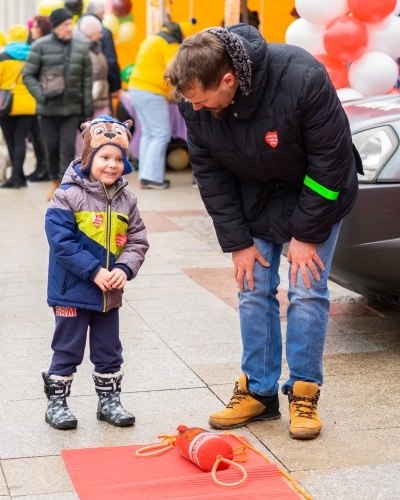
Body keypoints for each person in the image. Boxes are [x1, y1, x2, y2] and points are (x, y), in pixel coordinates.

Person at [165, 24, 363, 439]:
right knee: (252, 285)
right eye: (190, 102)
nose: (196, 110)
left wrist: (306, 235)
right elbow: (210, 174)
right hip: (254, 193)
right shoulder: (194, 102)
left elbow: (331, 160)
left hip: (315, 189)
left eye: (202, 100)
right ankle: (258, 391)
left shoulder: (301, 75)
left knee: (307, 288)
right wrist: (237, 243)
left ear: (228, 80)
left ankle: (304, 393)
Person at [42, 114, 149, 430]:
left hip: (108, 294)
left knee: (109, 350)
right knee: (67, 348)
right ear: (88, 158)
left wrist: (123, 268)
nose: (112, 164)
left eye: (119, 158)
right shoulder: (67, 196)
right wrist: (93, 271)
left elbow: (137, 239)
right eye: (104, 157)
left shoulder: (127, 200)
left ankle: (109, 401)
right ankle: (57, 403)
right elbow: (61, 242)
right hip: (72, 291)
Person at [23, 7, 93, 201]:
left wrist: (87, 108)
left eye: (71, 23)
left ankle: (65, 186)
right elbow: (27, 75)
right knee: (51, 147)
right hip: (47, 109)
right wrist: (40, 96)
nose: (70, 28)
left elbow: (87, 80)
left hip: (71, 109)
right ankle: (54, 180)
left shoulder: (81, 47)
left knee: (67, 147)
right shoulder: (40, 46)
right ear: (55, 27)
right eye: (66, 24)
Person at [128, 21, 185, 190]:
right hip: (151, 90)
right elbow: (174, 71)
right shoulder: (170, 43)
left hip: (136, 88)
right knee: (161, 133)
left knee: (149, 133)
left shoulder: (153, 39)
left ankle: (146, 176)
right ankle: (152, 178)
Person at [0, 25, 36, 189]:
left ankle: (15, 178)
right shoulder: (33, 56)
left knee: (11, 141)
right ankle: (19, 177)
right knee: (20, 139)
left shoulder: (3, 57)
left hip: (6, 104)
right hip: (29, 103)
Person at [73, 15, 110, 155]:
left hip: (100, 98)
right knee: (87, 138)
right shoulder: (81, 50)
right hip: (89, 100)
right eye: (97, 32)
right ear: (89, 33)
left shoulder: (96, 48)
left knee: (102, 135)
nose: (101, 35)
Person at [26, 15, 51, 183]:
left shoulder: (44, 48)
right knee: (35, 134)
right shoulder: (33, 46)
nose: (32, 30)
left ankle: (45, 168)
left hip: (44, 98)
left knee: (41, 135)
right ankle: (40, 166)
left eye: (35, 27)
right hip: (34, 97)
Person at [85, 0, 122, 100]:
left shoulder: (76, 30)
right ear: (98, 13)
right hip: (102, 88)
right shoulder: (104, 32)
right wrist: (115, 86)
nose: (104, 17)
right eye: (103, 13)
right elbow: (110, 60)